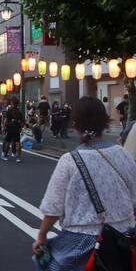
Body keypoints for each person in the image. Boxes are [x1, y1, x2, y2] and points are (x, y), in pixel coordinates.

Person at [32, 96, 136, 270]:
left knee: (45, 262)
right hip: (123, 239)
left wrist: (41, 236)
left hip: (82, 244)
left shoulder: (69, 161)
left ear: (76, 124)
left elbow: (53, 208)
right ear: (105, 122)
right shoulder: (123, 154)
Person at [1, 97, 23, 162]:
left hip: (10, 127)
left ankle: (5, 156)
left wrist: (4, 127)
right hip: (17, 128)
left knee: (8, 141)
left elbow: (6, 119)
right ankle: (18, 158)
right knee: (17, 142)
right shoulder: (19, 111)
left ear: (12, 103)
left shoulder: (10, 110)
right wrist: (20, 128)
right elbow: (22, 121)